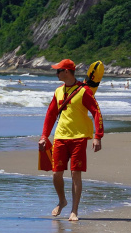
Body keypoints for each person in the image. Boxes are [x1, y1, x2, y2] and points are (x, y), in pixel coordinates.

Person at [39, 59, 104, 222]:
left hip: (78, 138)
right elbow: (51, 114)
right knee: (56, 174)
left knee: (76, 174)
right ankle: (62, 200)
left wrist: (98, 136)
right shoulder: (58, 91)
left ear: (66, 71)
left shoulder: (84, 91)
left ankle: (74, 211)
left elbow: (96, 112)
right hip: (60, 137)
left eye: (58, 71)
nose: (56, 74)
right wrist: (44, 136)